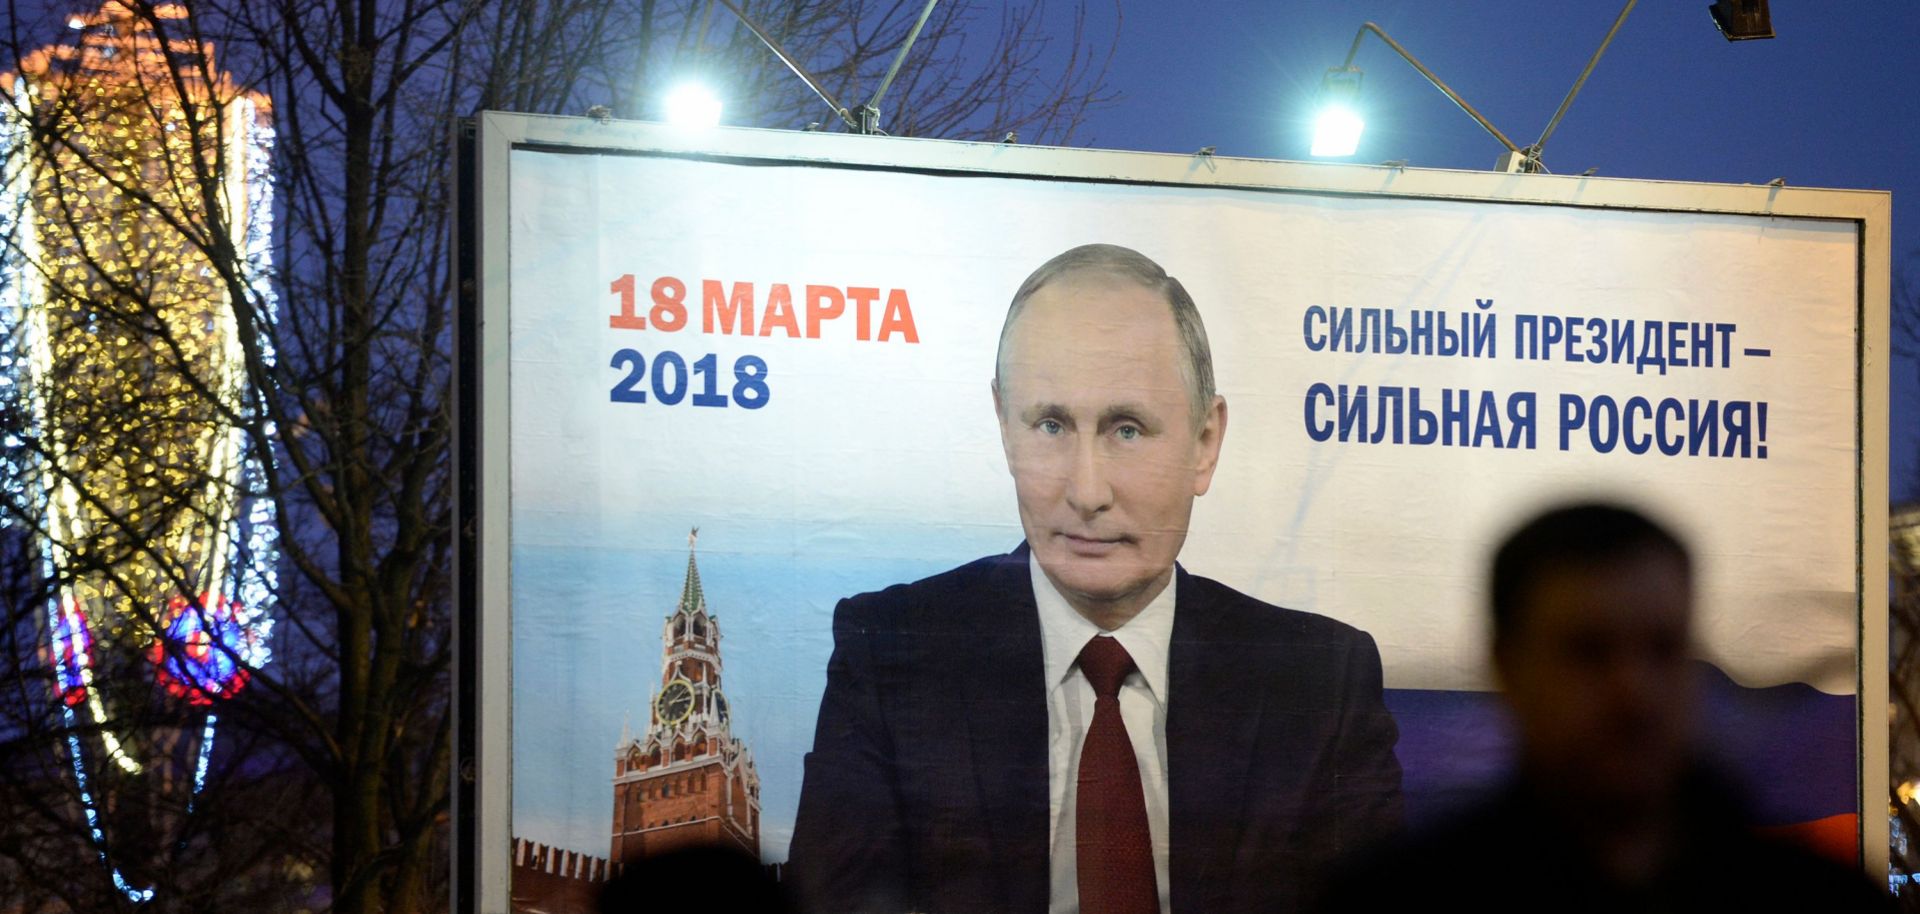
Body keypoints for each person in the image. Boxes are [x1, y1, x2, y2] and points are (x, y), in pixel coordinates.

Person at [788, 244, 1403, 914]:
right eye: (1050, 425)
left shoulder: (1318, 681)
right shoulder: (890, 653)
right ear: (1003, 428)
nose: (1086, 491)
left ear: (1205, 443)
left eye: (1127, 430)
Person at [1317, 502, 1893, 913]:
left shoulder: (1822, 900)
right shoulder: (1392, 898)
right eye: (1588, 653)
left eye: (1663, 649)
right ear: (1506, 666)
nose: (1632, 689)